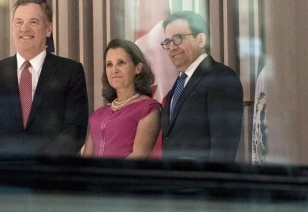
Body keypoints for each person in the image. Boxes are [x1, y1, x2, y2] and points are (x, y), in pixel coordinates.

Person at [0, 0, 89, 156]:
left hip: (51, 175)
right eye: (19, 22)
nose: (24, 29)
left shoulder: (70, 72)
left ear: (48, 28)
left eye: (33, 22)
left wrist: (40, 168)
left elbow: (74, 130)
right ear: (12, 28)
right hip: (4, 176)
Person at [160, 11, 243, 162]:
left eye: (177, 39)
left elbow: (223, 147)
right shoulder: (178, 84)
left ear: (200, 39)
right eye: (167, 42)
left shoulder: (220, 77)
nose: (172, 47)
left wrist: (211, 184)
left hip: (201, 183)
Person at [82, 39, 161, 159]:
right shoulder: (98, 114)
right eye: (109, 64)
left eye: (121, 63)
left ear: (138, 68)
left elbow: (138, 156)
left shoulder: (148, 108)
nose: (114, 70)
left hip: (123, 177)